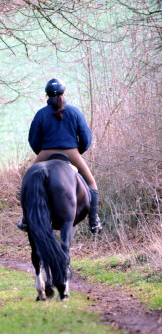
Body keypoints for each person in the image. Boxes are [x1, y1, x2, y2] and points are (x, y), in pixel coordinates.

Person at [17, 78, 102, 234]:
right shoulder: (74, 112)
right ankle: (94, 221)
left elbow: (33, 139)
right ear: (64, 93)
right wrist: (77, 152)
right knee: (91, 184)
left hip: (46, 152)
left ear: (46, 95)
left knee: (27, 181)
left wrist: (41, 153)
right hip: (71, 152)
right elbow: (86, 138)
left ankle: (25, 220)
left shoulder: (41, 114)